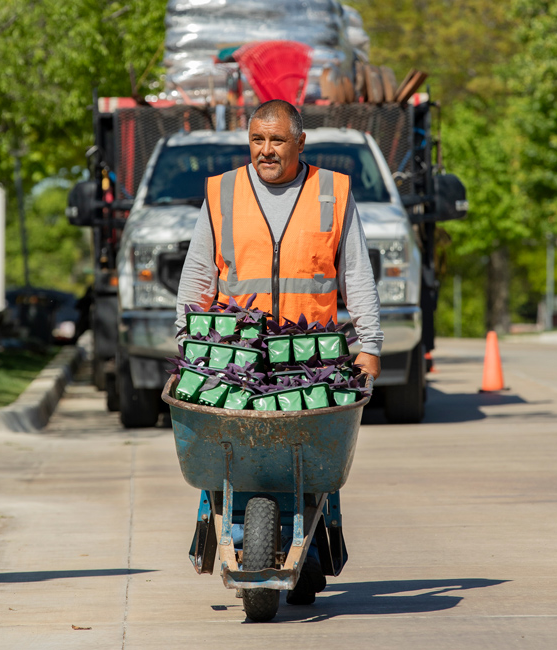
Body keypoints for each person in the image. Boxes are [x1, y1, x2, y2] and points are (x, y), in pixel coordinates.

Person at [176, 99, 382, 604]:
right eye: (257, 140)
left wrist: (370, 348)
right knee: (243, 457)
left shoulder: (331, 192)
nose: (266, 151)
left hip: (311, 358)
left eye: (277, 141)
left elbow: (356, 275)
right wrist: (187, 341)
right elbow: (199, 274)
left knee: (309, 458)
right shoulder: (222, 192)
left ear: (300, 143)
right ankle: (254, 535)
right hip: (235, 354)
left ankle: (307, 543)